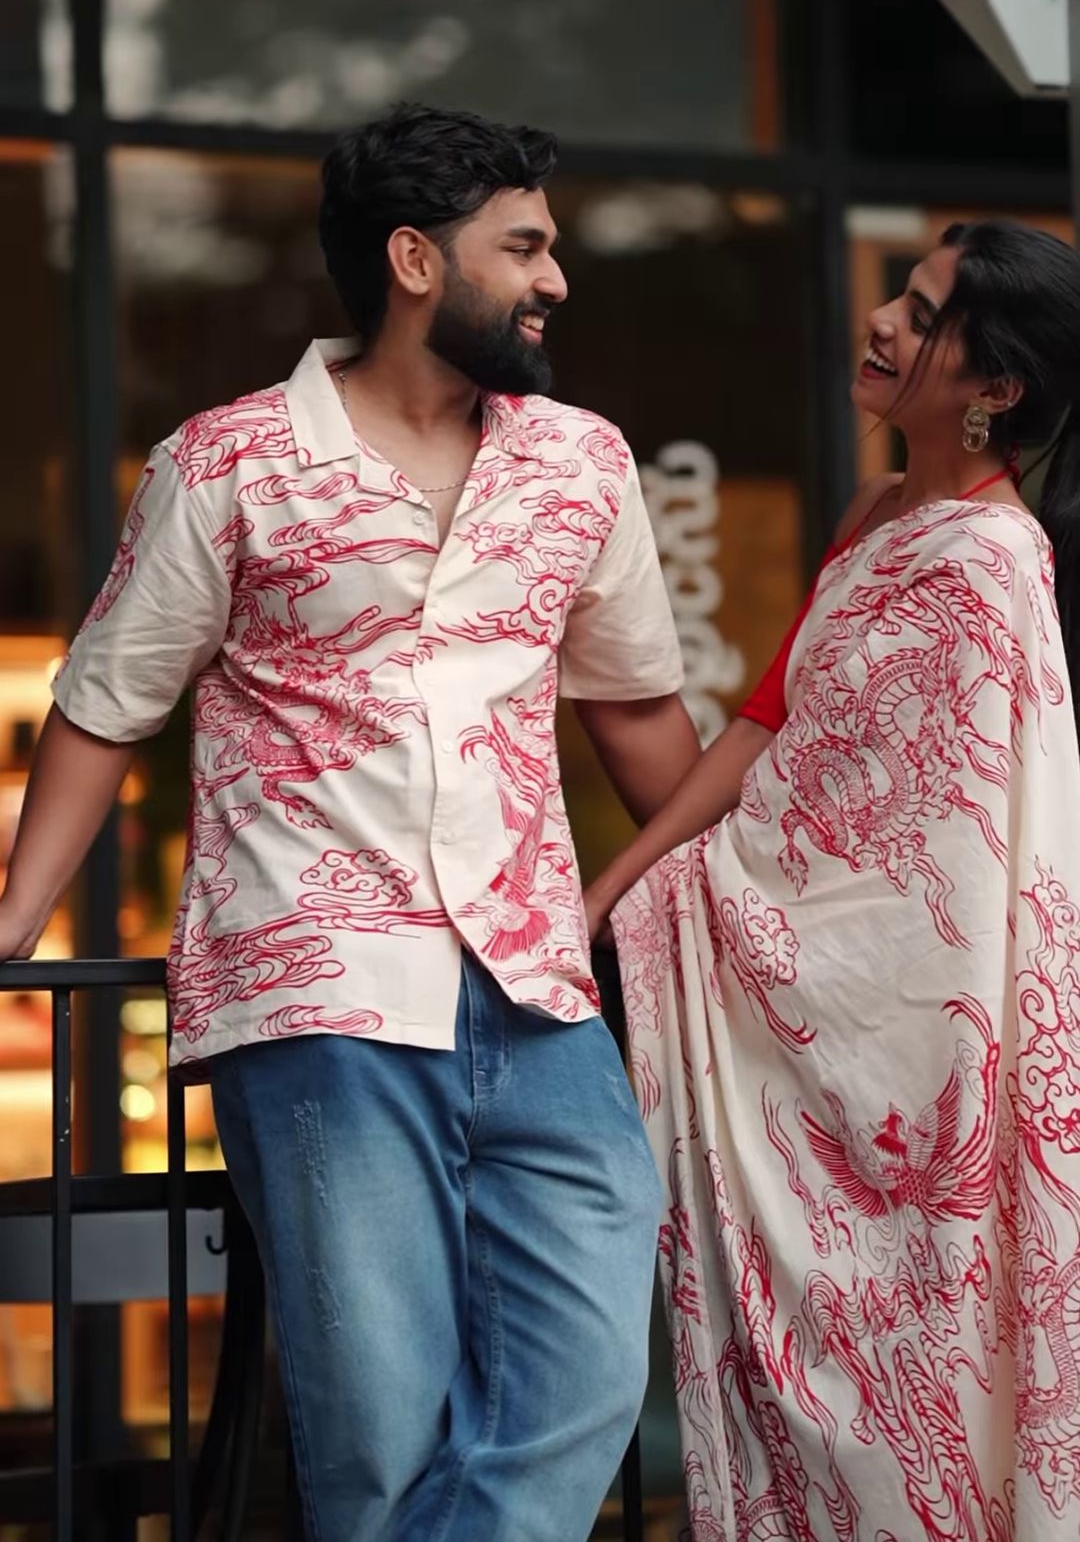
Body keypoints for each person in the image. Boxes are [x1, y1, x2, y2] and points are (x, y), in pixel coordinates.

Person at [0, 104, 701, 1542]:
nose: (556, 277)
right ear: (415, 261)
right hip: (318, 996)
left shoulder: (584, 465)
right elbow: (107, 703)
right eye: (524, 247)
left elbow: (636, 716)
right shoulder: (230, 462)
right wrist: (11, 921)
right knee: (377, 1430)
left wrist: (739, 900)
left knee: (582, 1376)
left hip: (537, 989)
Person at [586, 221, 1080, 1542]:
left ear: (997, 389)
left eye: (919, 317)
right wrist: (618, 893)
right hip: (771, 949)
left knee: (897, 1381)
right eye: (897, 295)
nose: (878, 320)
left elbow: (936, 842)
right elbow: (765, 729)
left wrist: (706, 899)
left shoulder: (992, 567)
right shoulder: (879, 519)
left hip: (900, 1024)